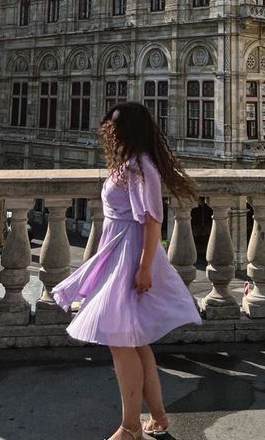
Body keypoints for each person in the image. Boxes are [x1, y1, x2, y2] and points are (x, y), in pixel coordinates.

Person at [52, 101, 202, 440]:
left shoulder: (138, 168)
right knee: (135, 342)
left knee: (122, 343)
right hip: (121, 251)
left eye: (115, 126)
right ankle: (159, 417)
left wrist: (144, 268)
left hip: (130, 256)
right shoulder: (133, 164)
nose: (110, 131)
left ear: (127, 131)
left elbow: (152, 222)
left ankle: (130, 426)